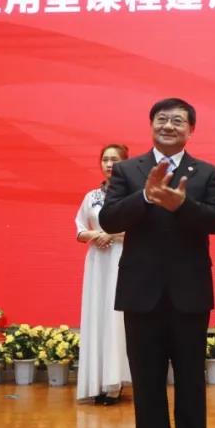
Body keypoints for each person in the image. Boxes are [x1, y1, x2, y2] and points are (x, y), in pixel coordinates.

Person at [99, 97, 215, 428]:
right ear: (152, 124)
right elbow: (108, 218)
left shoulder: (207, 173)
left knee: (191, 380)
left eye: (178, 121)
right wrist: (145, 197)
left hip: (190, 292)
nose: (169, 126)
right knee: (147, 382)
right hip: (141, 293)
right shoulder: (127, 170)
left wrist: (182, 204)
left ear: (191, 130)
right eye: (162, 119)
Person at [75, 143, 132, 405]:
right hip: (98, 262)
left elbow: (142, 230)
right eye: (106, 159)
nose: (109, 164)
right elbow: (79, 230)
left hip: (122, 259)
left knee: (116, 318)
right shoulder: (91, 197)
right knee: (97, 316)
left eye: (115, 160)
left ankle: (114, 383)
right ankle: (97, 381)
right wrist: (97, 235)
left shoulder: (133, 195)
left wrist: (112, 235)